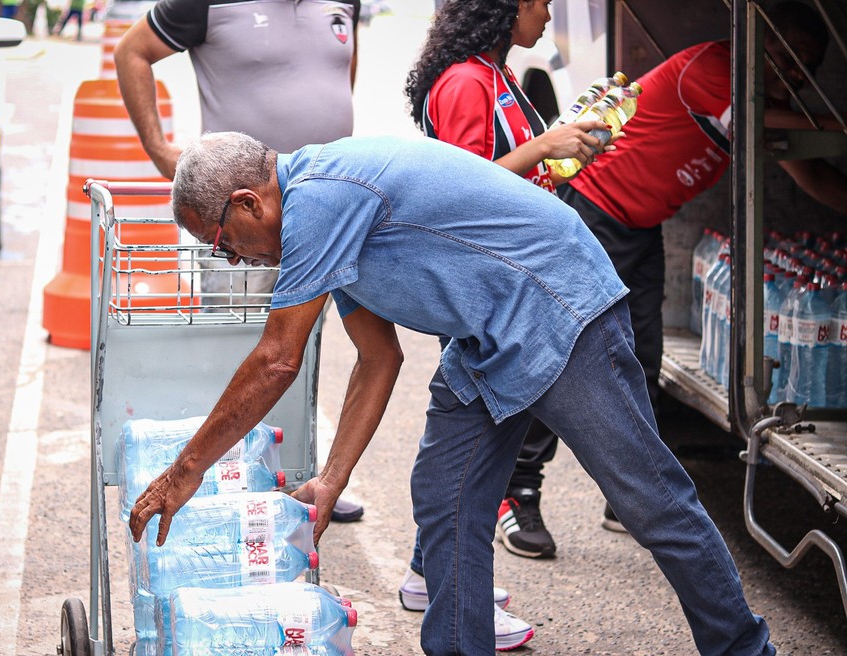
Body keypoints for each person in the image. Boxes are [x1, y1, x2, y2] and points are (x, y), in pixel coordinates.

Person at [129, 130, 776, 656]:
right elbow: (378, 360)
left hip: (552, 305)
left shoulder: (319, 201)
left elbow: (277, 360)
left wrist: (186, 471)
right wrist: (330, 482)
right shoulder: (322, 222)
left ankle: (744, 649)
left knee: (649, 499)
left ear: (247, 204)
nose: (233, 261)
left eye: (221, 245)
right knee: (445, 496)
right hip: (487, 333)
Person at [557, 0, 847, 531]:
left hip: (640, 227)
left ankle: (630, 498)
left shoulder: (769, 95)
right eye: (789, 55)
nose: (795, 73)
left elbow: (814, 177)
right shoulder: (715, 68)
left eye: (808, 64)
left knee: (642, 357)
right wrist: (837, 122)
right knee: (566, 354)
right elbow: (754, 116)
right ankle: (520, 493)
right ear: (762, 45)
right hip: (594, 213)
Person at [113, 0, 366, 524]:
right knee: (245, 355)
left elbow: (340, 72)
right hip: (245, 220)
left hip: (328, 218)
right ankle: (233, 484)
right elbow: (131, 51)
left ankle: (301, 481)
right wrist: (164, 153)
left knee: (304, 353)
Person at [400, 0, 615, 579]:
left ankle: (431, 574)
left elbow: (509, 168)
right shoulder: (467, 79)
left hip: (514, 286)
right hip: (494, 293)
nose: (547, 13)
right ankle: (437, 578)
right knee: (467, 455)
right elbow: (464, 190)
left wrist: (563, 153)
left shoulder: (496, 73)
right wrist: (547, 146)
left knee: (468, 454)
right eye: (539, 1)